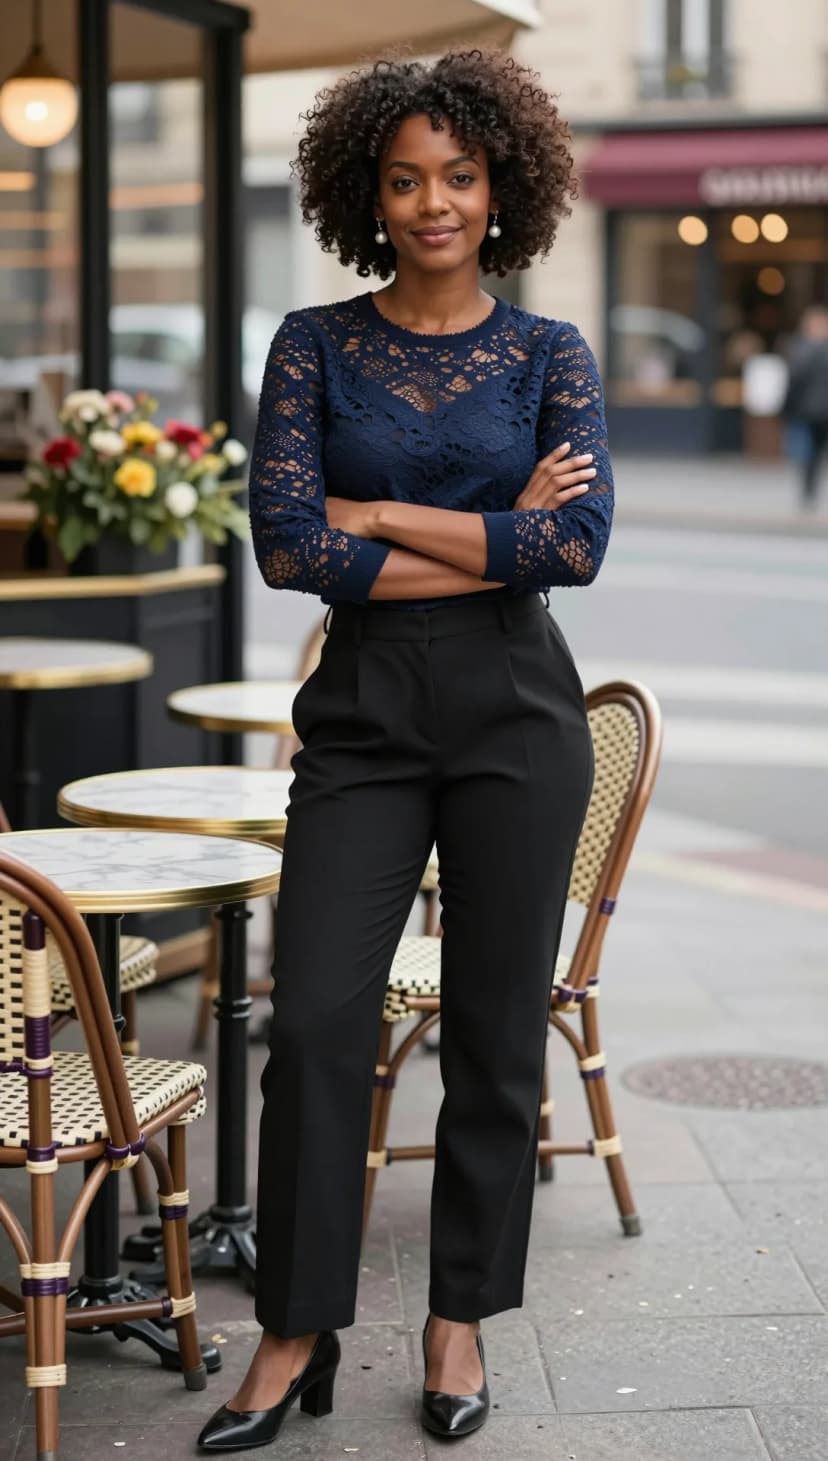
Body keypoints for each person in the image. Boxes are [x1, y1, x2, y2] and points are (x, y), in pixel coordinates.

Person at [198, 46, 613, 1453]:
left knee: (497, 1032)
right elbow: (287, 546)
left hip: (518, 714)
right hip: (364, 719)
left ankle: (457, 1320)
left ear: (502, 187)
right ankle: (297, 1329)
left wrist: (381, 520)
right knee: (314, 1017)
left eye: (459, 174)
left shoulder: (552, 354)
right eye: (405, 179)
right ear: (367, 195)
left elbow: (574, 548)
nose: (434, 201)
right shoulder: (312, 344)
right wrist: (482, 540)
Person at [782, 304, 828, 507]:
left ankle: (808, 492)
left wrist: (786, 408)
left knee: (809, 454)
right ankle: (808, 491)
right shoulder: (802, 349)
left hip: (809, 411)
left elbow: (794, 381)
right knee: (810, 453)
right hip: (811, 411)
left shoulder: (801, 350)